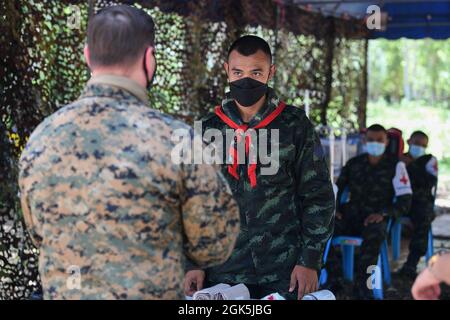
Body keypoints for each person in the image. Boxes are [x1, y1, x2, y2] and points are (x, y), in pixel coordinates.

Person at [18, 5, 240, 300]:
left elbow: (39, 233)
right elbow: (215, 243)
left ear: (87, 56)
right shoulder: (176, 141)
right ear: (150, 58)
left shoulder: (42, 139)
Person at [184, 35, 335, 300]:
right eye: (238, 72)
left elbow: (318, 196)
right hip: (222, 272)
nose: (246, 80)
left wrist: (310, 260)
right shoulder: (207, 128)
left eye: (256, 72)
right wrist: (192, 263)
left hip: (284, 269)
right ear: (226, 71)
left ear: (270, 72)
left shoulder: (295, 125)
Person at [326, 124, 412, 299]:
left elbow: (405, 200)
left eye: (379, 140)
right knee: (322, 232)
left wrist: (384, 214)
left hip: (377, 218)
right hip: (351, 214)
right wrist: (335, 210)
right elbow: (337, 190)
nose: (375, 143)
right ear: (364, 141)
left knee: (373, 240)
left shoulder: (396, 166)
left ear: (386, 142)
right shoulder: (353, 164)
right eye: (371, 140)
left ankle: (364, 288)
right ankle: (335, 282)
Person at [397, 131, 438, 279]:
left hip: (419, 204)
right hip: (398, 203)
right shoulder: (399, 158)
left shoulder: (429, 160)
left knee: (424, 219)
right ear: (408, 142)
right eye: (416, 143)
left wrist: (412, 165)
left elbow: (429, 182)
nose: (419, 147)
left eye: (423, 145)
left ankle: (411, 264)